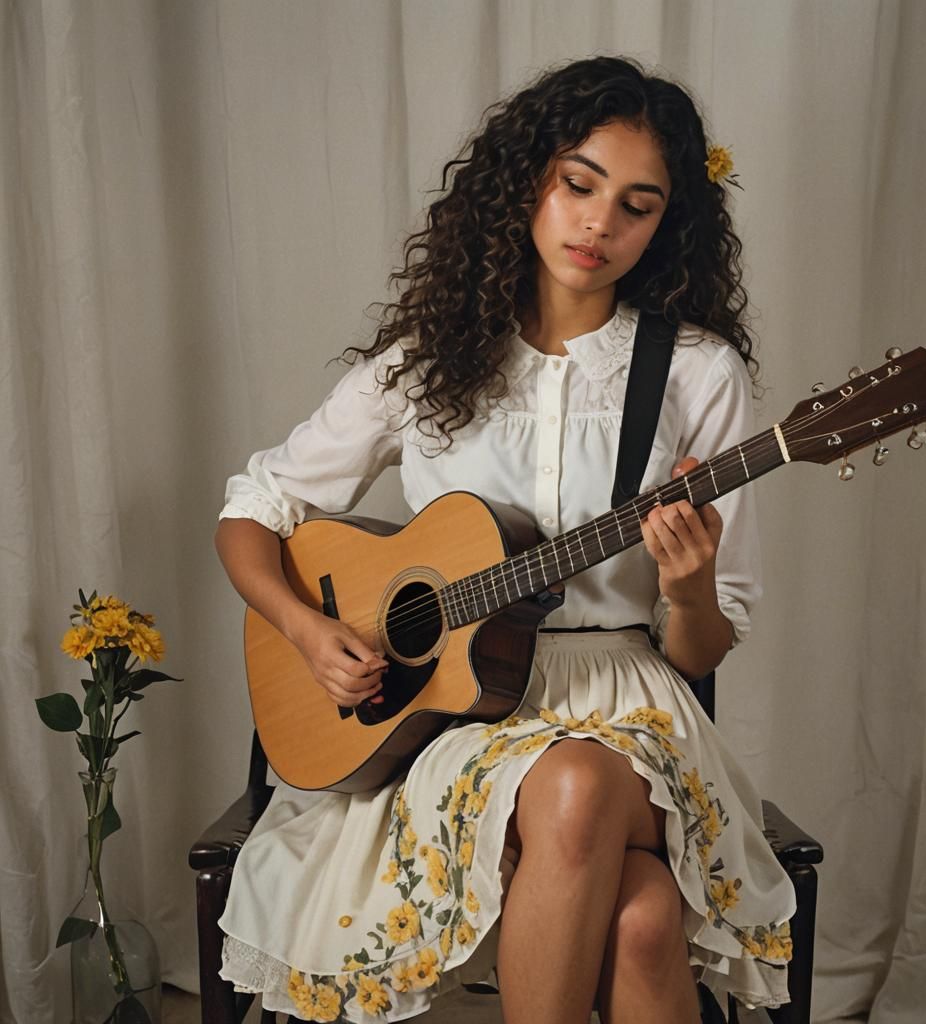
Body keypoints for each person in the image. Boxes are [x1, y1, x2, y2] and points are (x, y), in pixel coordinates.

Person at [214, 55, 796, 1024]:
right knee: (641, 919)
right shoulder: (427, 363)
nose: (599, 224)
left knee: (575, 778)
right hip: (457, 718)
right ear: (526, 178)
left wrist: (687, 587)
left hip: (635, 708)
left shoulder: (697, 373)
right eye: (579, 183)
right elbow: (254, 508)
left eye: (637, 204)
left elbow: (698, 649)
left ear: (667, 225)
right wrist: (309, 632)